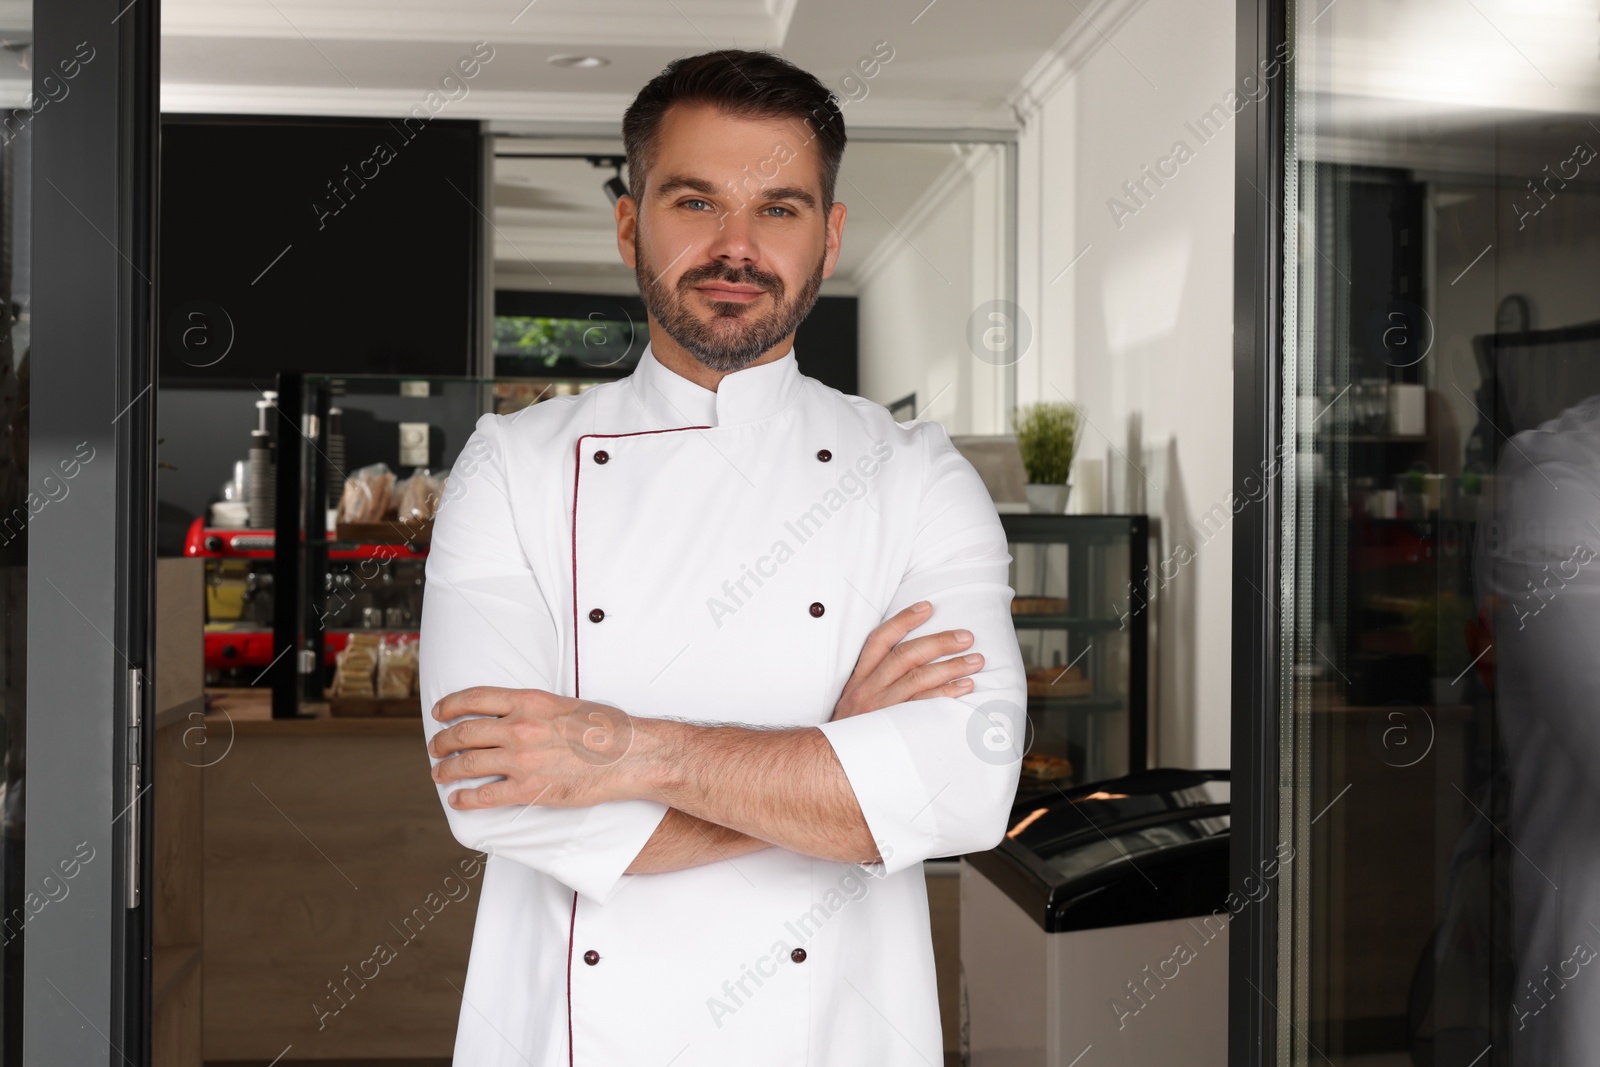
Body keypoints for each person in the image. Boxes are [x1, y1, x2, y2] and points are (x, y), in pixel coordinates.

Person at [418, 48, 1026, 1066]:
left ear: (829, 238)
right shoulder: (512, 465)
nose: (735, 247)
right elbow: (492, 793)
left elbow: (961, 788)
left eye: (779, 209)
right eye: (695, 202)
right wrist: (838, 763)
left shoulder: (917, 473)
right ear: (629, 224)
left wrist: (627, 751)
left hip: (832, 1031)